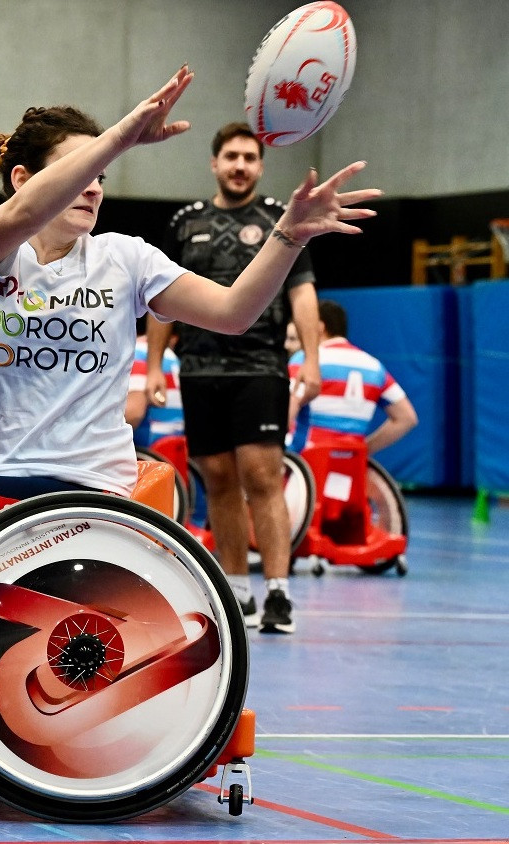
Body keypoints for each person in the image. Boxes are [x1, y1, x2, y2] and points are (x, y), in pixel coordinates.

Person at [0, 66, 379, 610]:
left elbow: (232, 312)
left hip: (81, 492)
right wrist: (124, 135)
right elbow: (22, 217)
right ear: (23, 179)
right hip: (0, 486)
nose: (94, 187)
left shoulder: (124, 258)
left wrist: (288, 236)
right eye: (81, 172)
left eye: (101, 175)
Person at [146, 121, 326, 635]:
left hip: (260, 367)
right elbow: (160, 301)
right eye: (231, 156)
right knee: (219, 481)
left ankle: (277, 593)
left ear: (261, 166)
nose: (240, 165)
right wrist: (157, 364)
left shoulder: (279, 220)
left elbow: (302, 294)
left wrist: (311, 360)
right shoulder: (185, 222)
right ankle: (238, 592)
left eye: (250, 157)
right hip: (200, 369)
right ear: (215, 163)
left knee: (262, 477)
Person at [288, 299, 418, 453]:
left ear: (320, 327)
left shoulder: (306, 360)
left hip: (305, 460)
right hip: (350, 465)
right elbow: (407, 418)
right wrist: (364, 450)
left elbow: (289, 408)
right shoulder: (374, 366)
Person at [128, 318, 183, 448]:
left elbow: (134, 413)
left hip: (149, 452)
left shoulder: (138, 351)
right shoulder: (171, 356)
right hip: (175, 449)